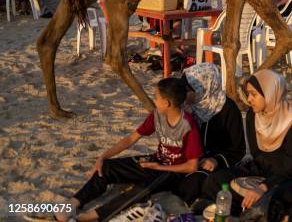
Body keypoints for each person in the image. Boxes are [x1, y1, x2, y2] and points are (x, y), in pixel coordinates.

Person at [55, 78, 202, 222]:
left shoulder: (188, 126)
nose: (154, 100)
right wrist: (103, 156)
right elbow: (132, 138)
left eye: (156, 97)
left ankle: (88, 217)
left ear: (166, 103)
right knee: (106, 167)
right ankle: (73, 203)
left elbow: (192, 166)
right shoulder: (157, 115)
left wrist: (160, 167)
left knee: (141, 191)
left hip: (172, 172)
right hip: (155, 161)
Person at [195, 70, 292, 216]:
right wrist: (257, 181)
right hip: (262, 170)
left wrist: (263, 186)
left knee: (278, 201)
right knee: (215, 181)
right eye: (248, 94)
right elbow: (257, 156)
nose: (249, 99)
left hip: (290, 176)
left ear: (271, 93)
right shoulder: (253, 115)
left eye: (254, 94)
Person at [176, 63, 247, 206]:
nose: (183, 94)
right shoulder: (190, 107)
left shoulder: (229, 109)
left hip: (216, 165)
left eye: (187, 90)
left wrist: (216, 160)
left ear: (201, 87)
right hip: (194, 159)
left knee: (194, 182)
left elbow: (238, 150)